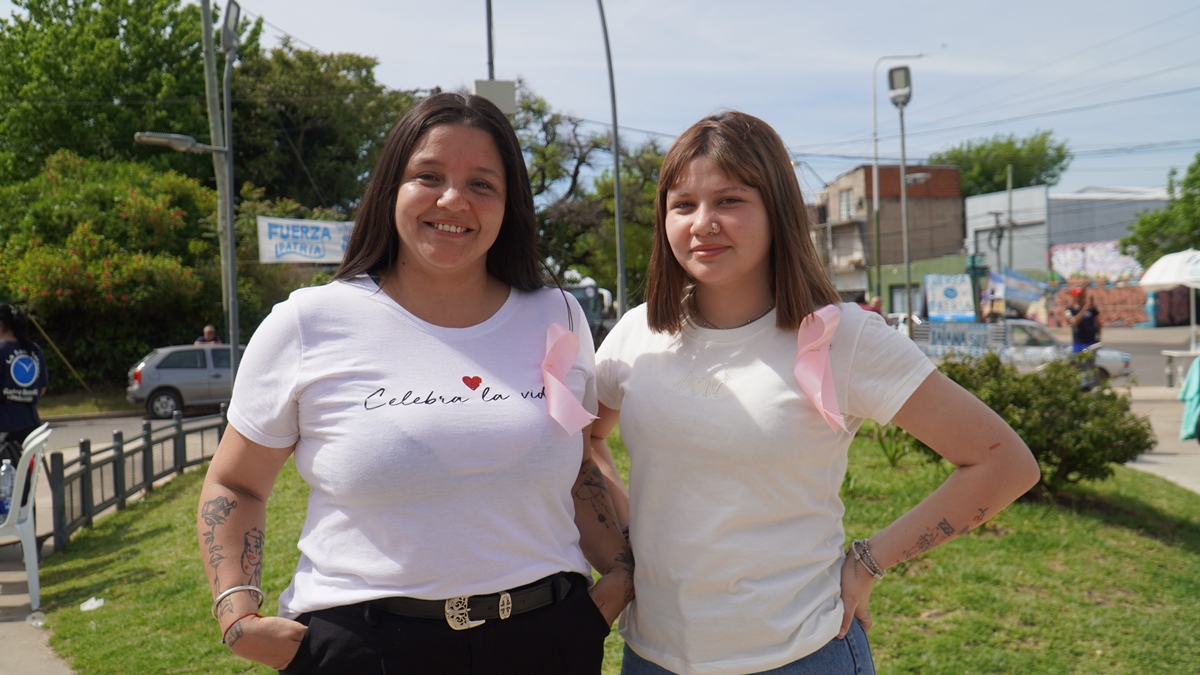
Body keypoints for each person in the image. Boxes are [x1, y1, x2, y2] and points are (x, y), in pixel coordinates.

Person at [196, 93, 633, 674]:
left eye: (482, 184)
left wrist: (620, 572)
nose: (453, 199)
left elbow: (576, 465)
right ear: (390, 189)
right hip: (367, 650)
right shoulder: (309, 322)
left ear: (510, 205)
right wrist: (237, 616)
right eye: (428, 175)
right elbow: (236, 482)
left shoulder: (557, 314)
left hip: (546, 640)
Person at [590, 111, 1040, 675]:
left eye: (729, 200)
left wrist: (869, 560)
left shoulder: (842, 337)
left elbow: (1003, 463)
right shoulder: (637, 332)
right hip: (652, 656)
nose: (703, 223)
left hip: (801, 654)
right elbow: (585, 440)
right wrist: (623, 545)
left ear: (777, 210)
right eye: (683, 205)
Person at [0, 303, 49, 507]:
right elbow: (42, 388)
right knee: (24, 485)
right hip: (30, 425)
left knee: (5, 487)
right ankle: (27, 522)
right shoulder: (34, 350)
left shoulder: (1, 350)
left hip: (4, 427)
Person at [1065, 286, 1101, 352]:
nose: (1081, 298)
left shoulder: (1091, 309)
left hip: (1091, 341)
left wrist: (1099, 336)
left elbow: (1098, 323)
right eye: (1078, 296)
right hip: (1079, 342)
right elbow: (1074, 322)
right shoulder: (1070, 310)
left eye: (1082, 295)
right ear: (1074, 297)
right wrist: (1084, 309)